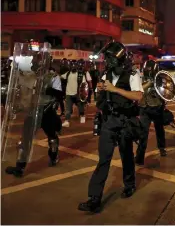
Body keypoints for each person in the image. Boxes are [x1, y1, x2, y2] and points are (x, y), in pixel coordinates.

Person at [78, 41, 143, 213]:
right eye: (106, 58)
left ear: (119, 58)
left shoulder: (132, 74)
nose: (107, 61)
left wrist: (114, 89)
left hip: (125, 121)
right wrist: (102, 89)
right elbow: (105, 94)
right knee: (103, 159)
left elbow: (138, 96)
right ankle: (95, 198)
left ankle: (129, 184)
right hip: (109, 121)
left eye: (110, 57)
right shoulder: (106, 73)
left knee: (126, 155)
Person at [4, 46, 62, 177]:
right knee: (25, 140)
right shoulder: (29, 76)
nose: (32, 64)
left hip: (47, 111)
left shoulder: (52, 77)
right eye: (32, 62)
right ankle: (20, 166)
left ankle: (53, 157)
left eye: (35, 62)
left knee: (52, 138)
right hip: (32, 111)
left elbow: (59, 95)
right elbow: (21, 93)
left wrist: (47, 89)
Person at [135, 59, 167, 165]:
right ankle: (140, 156)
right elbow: (138, 90)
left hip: (157, 107)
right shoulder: (139, 78)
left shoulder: (160, 79)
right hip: (144, 108)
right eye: (146, 70)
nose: (148, 72)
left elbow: (166, 94)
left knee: (159, 129)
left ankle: (162, 147)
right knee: (143, 133)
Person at [61, 59, 92, 127]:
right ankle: (67, 121)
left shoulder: (81, 74)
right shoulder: (68, 73)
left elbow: (84, 84)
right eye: (72, 65)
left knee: (80, 107)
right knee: (68, 109)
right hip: (68, 94)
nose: (73, 67)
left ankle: (82, 115)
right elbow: (61, 77)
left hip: (77, 94)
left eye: (74, 65)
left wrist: (86, 94)